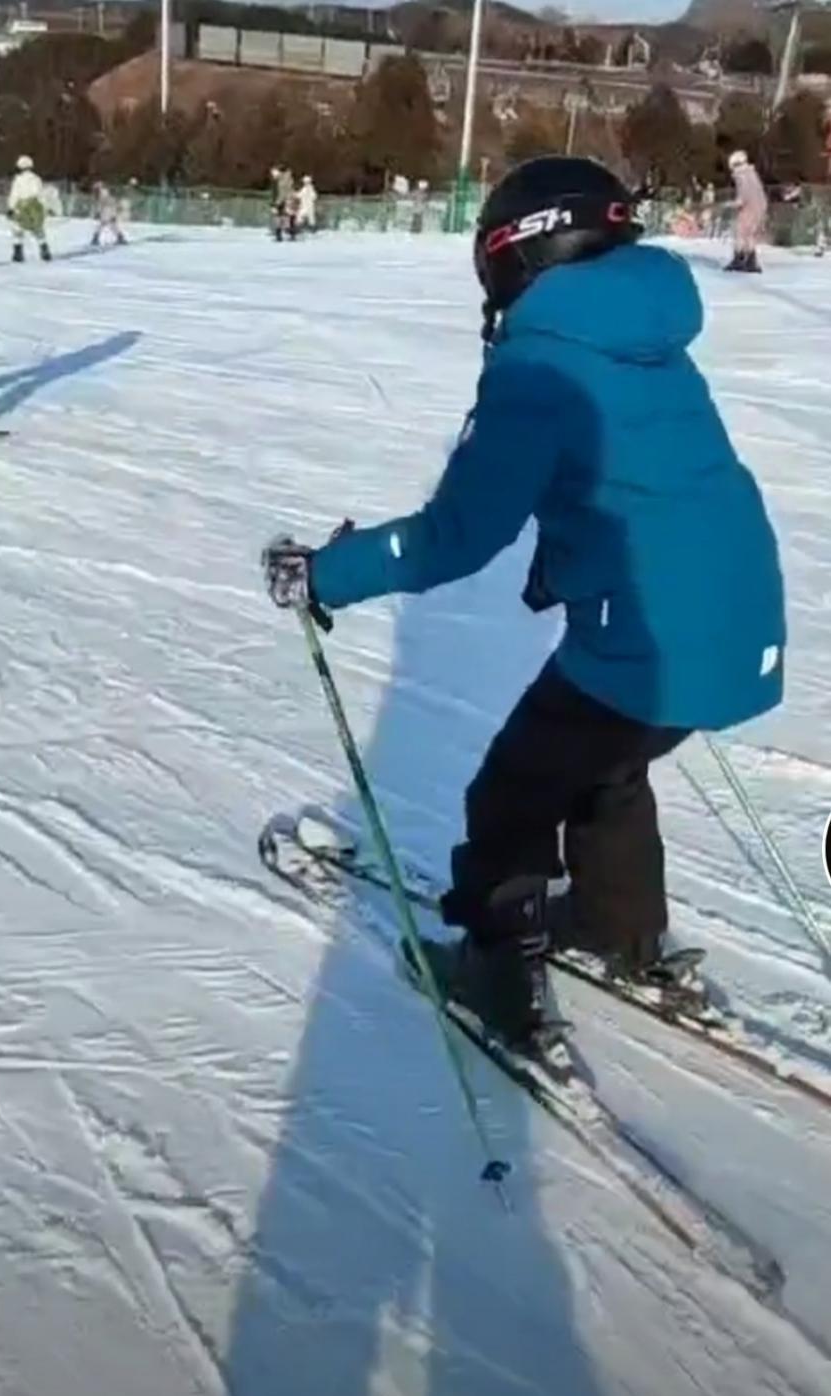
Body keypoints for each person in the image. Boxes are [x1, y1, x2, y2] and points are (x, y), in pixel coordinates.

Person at [261, 156, 786, 1050]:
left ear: (515, 252)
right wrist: (566, 559)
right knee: (608, 766)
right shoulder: (642, 334)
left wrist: (329, 573)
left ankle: (495, 970)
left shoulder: (540, 364)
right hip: (740, 622)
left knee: (510, 790)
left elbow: (456, 535)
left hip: (647, 639)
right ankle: (621, 927)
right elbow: (638, 481)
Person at [726, 149, 767, 273]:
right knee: (749, 234)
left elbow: (743, 195)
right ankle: (750, 260)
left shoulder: (741, 175)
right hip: (760, 205)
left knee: (741, 232)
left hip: (749, 207)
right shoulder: (751, 173)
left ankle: (740, 259)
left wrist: (732, 204)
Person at [8, 155, 51, 263]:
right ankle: (44, 250)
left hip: (21, 206)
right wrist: (45, 207)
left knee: (17, 229)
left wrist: (11, 208)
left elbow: (14, 195)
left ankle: (18, 253)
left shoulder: (18, 180)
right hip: (34, 206)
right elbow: (41, 195)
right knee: (38, 229)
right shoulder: (36, 179)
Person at [91, 181, 126, 247]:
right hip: (108, 210)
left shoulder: (102, 193)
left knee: (104, 224)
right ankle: (120, 237)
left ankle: (95, 238)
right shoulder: (103, 193)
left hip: (107, 211)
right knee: (111, 225)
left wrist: (98, 212)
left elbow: (102, 204)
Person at [270, 165, 295, 242]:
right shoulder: (286, 179)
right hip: (287, 200)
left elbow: (283, 193)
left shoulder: (282, 181)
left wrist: (277, 203)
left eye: (274, 174)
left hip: (284, 201)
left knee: (280, 217)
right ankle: (289, 234)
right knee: (287, 217)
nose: (273, 176)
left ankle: (280, 234)